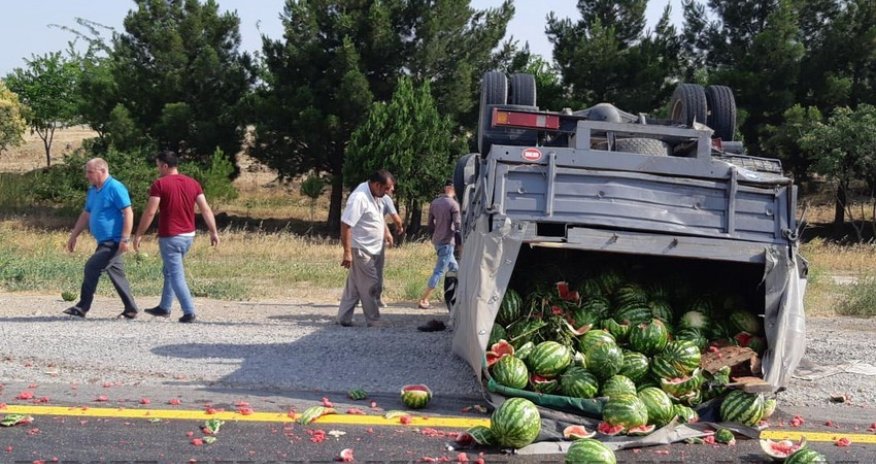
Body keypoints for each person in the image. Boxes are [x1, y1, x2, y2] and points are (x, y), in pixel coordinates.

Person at [133, 150, 220, 323]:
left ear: (165, 165)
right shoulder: (193, 183)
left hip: (170, 236)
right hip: (189, 235)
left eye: (158, 166)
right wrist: (213, 231)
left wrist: (139, 234)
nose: (157, 169)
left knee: (176, 274)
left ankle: (189, 311)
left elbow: (150, 212)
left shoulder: (160, 184)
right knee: (169, 271)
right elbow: (205, 209)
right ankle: (164, 307)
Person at [63, 158, 139, 319]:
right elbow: (86, 213)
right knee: (117, 274)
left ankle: (83, 307)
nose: (87, 175)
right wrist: (74, 235)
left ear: (102, 171)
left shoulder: (116, 188)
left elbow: (128, 212)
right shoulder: (93, 190)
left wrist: (125, 239)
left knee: (91, 267)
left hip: (114, 241)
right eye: (87, 172)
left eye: (90, 172)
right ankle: (131, 309)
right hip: (103, 241)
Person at [337, 170, 395, 328]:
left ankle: (343, 317)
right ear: (377, 185)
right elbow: (346, 224)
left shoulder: (375, 195)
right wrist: (347, 252)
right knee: (370, 283)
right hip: (361, 248)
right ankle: (373, 319)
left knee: (355, 285)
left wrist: (385, 232)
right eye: (387, 188)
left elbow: (376, 218)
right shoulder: (359, 198)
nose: (389, 192)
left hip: (372, 247)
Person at [417, 180, 460, 310]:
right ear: (453, 188)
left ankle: (455, 296)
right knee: (439, 271)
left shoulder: (434, 203)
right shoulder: (454, 204)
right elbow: (457, 225)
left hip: (437, 241)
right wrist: (460, 243)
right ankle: (424, 299)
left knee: (455, 268)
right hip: (447, 242)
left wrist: (436, 235)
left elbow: (430, 223)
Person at [375, 186, 404, 308]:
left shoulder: (369, 197)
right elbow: (396, 218)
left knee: (362, 269)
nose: (393, 192)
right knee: (377, 269)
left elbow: (379, 218)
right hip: (375, 239)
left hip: (361, 238)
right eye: (392, 190)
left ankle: (357, 297)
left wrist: (386, 232)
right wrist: (400, 226)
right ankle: (376, 298)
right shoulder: (386, 199)